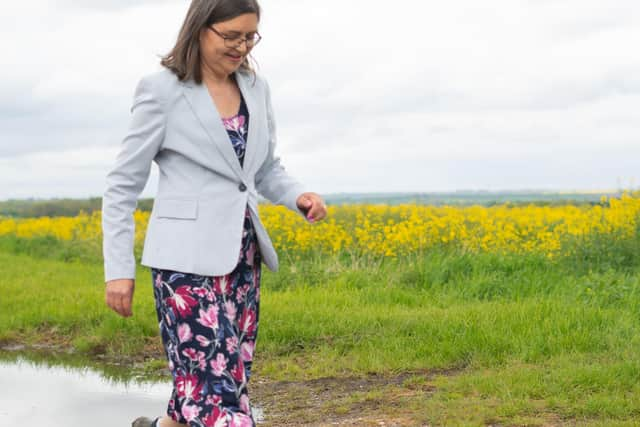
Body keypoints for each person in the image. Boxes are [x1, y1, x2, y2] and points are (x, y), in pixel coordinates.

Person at [101, 1, 327, 426]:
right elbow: (121, 185)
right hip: (183, 264)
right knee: (217, 393)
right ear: (200, 29)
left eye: (250, 37)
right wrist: (118, 269)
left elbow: (263, 169)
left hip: (242, 258)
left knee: (224, 375)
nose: (242, 47)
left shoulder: (256, 89)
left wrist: (298, 196)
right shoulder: (161, 90)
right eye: (231, 36)